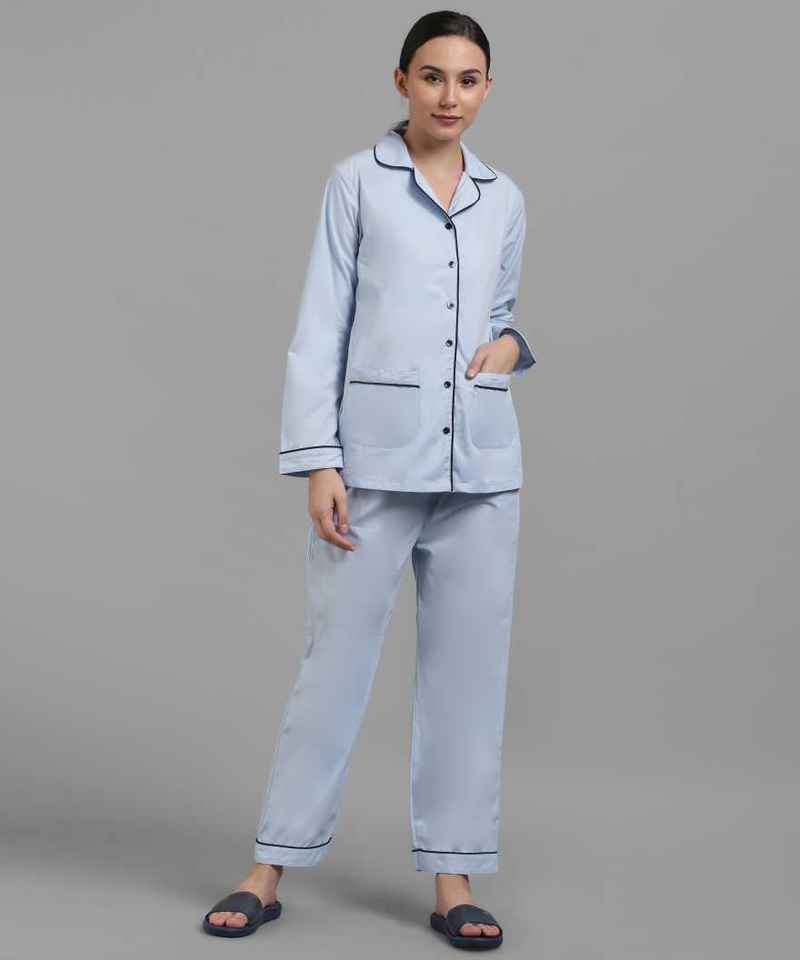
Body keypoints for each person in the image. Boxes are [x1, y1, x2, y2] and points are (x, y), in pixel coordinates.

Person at [202, 9, 536, 949]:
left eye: (467, 79)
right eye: (432, 76)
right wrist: (319, 460)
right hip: (375, 464)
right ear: (401, 82)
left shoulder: (505, 197)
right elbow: (322, 325)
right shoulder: (357, 182)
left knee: (468, 680)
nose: (449, 96)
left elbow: (502, 312)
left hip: (481, 468)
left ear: (487, 88)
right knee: (333, 670)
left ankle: (453, 879)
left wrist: (513, 345)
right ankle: (268, 866)